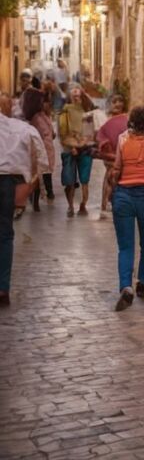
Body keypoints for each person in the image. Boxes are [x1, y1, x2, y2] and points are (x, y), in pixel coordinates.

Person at [106, 105, 144, 312]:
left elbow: (117, 169)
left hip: (124, 195)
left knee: (125, 246)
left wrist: (112, 186)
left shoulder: (123, 140)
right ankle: (143, 280)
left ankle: (126, 286)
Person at [1, 91, 49, 305]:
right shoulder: (22, 128)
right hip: (9, 183)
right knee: (5, 234)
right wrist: (30, 183)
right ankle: (2, 288)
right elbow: (41, 160)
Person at [19, 70, 57, 212]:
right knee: (38, 176)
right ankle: (36, 200)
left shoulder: (43, 116)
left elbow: (50, 132)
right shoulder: (35, 118)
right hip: (41, 152)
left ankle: (45, 195)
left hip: (48, 150)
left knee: (45, 173)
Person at [58, 85, 97, 217]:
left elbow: (91, 131)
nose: (75, 94)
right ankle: (70, 206)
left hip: (85, 149)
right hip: (70, 150)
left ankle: (82, 205)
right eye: (73, 92)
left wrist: (86, 144)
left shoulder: (87, 111)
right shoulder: (65, 111)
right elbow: (62, 132)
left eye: (78, 93)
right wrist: (72, 146)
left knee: (84, 180)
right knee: (69, 181)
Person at [95, 95, 129, 214]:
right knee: (110, 176)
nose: (118, 104)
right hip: (110, 154)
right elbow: (99, 134)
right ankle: (106, 203)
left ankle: (118, 202)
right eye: (115, 101)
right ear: (109, 104)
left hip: (124, 153)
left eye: (120, 101)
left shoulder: (127, 118)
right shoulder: (103, 118)